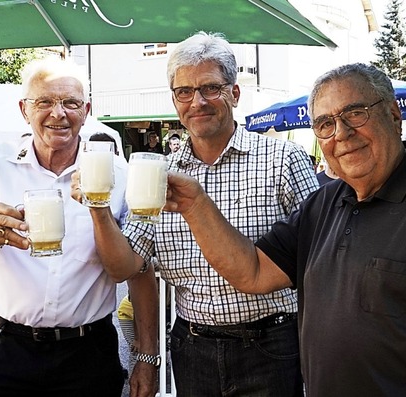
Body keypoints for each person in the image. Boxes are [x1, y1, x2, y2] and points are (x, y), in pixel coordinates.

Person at [76, 32, 319, 396]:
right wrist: (97, 207)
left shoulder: (282, 160)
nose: (197, 102)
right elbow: (125, 266)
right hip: (192, 347)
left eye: (210, 88)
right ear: (174, 100)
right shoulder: (159, 174)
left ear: (234, 93)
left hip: (271, 343)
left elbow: (321, 259)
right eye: (184, 92)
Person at [161, 63, 406, 396]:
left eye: (356, 113)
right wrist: (195, 205)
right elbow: (253, 271)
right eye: (325, 124)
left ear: (393, 114)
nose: (342, 134)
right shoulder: (322, 205)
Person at [0, 57, 158, 397]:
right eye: (44, 102)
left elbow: (140, 271)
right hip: (6, 347)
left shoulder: (119, 174)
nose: (58, 113)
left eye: (70, 103)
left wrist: (147, 357)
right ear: (24, 109)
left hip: (87, 353)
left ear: (86, 110)